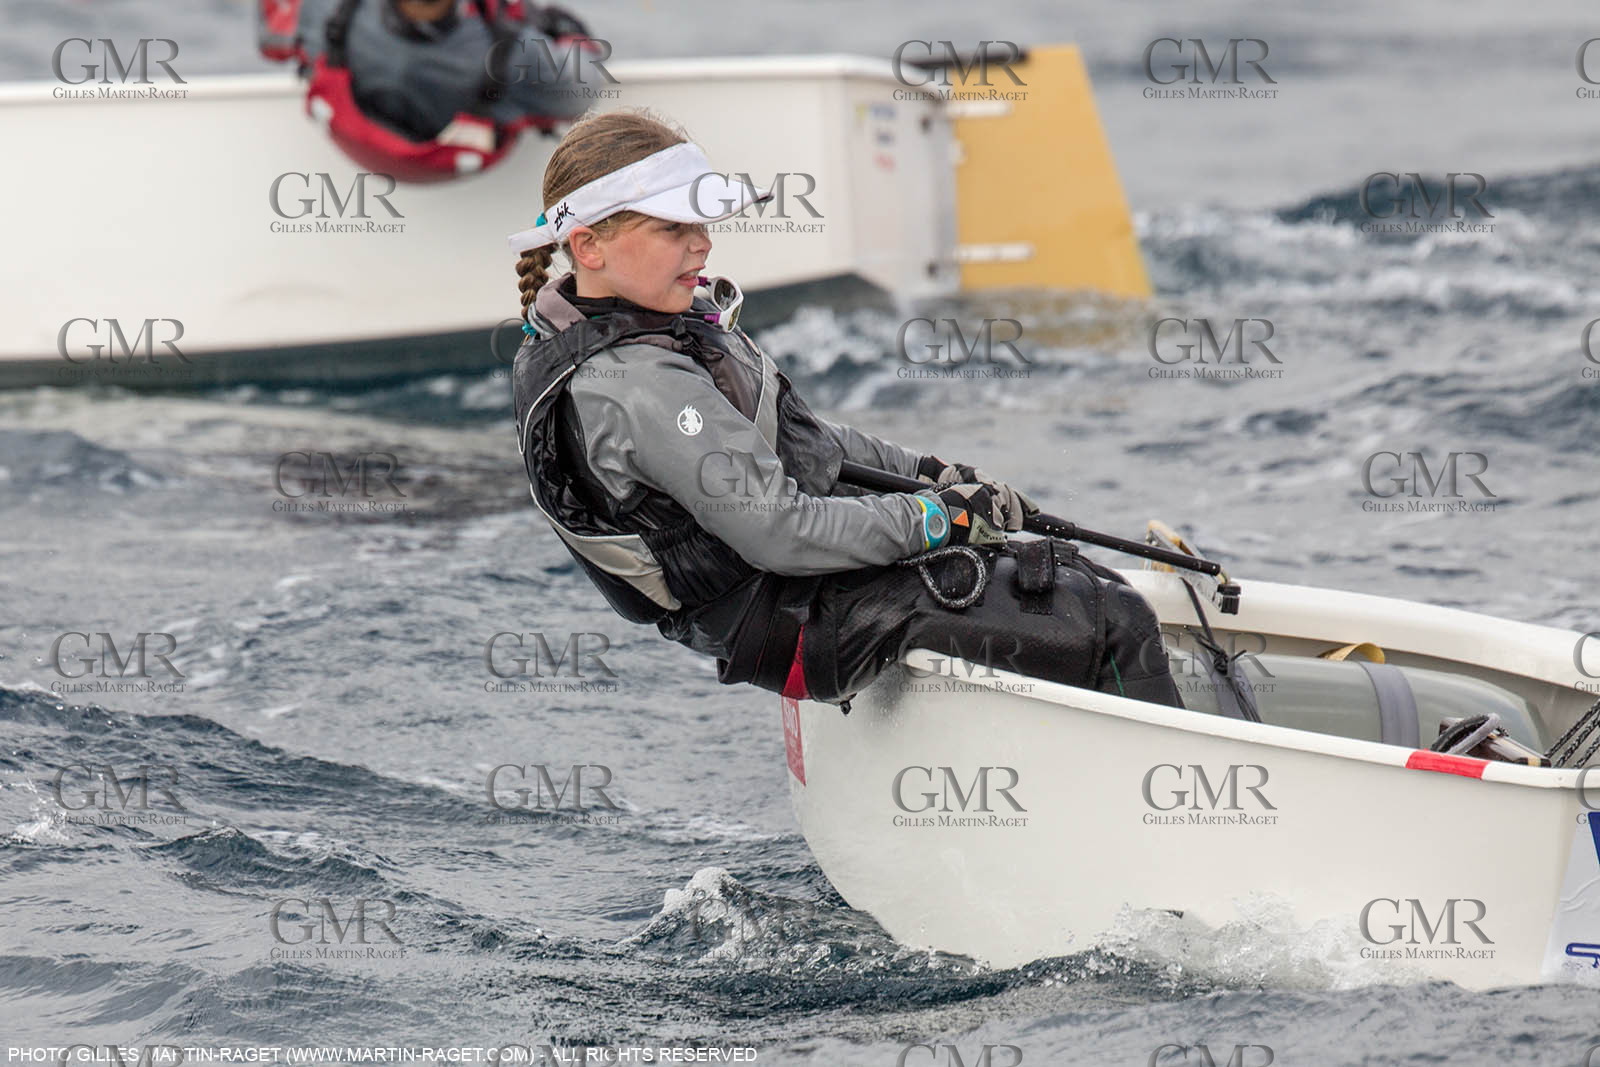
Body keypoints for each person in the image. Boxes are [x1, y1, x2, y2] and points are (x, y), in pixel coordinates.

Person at [507, 110, 1184, 710]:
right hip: (797, 622)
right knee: (1114, 618)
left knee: (1070, 576)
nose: (702, 244)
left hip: (801, 592)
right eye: (672, 227)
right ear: (590, 245)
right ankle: (1176, 810)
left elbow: (804, 443)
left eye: (704, 223)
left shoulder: (648, 321)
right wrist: (938, 516)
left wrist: (929, 472)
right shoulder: (638, 386)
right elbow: (780, 531)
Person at [259, 0, 596, 180]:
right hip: (458, 172)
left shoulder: (325, 10)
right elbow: (583, 91)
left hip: (350, 148)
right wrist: (569, 33)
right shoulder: (512, 55)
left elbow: (272, 42)